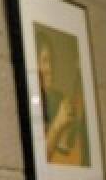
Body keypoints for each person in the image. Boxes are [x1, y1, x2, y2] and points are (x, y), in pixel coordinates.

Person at [36, 30, 87, 165]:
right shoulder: (32, 106)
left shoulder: (59, 99)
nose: (50, 68)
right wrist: (57, 126)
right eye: (45, 61)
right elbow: (38, 161)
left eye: (51, 60)